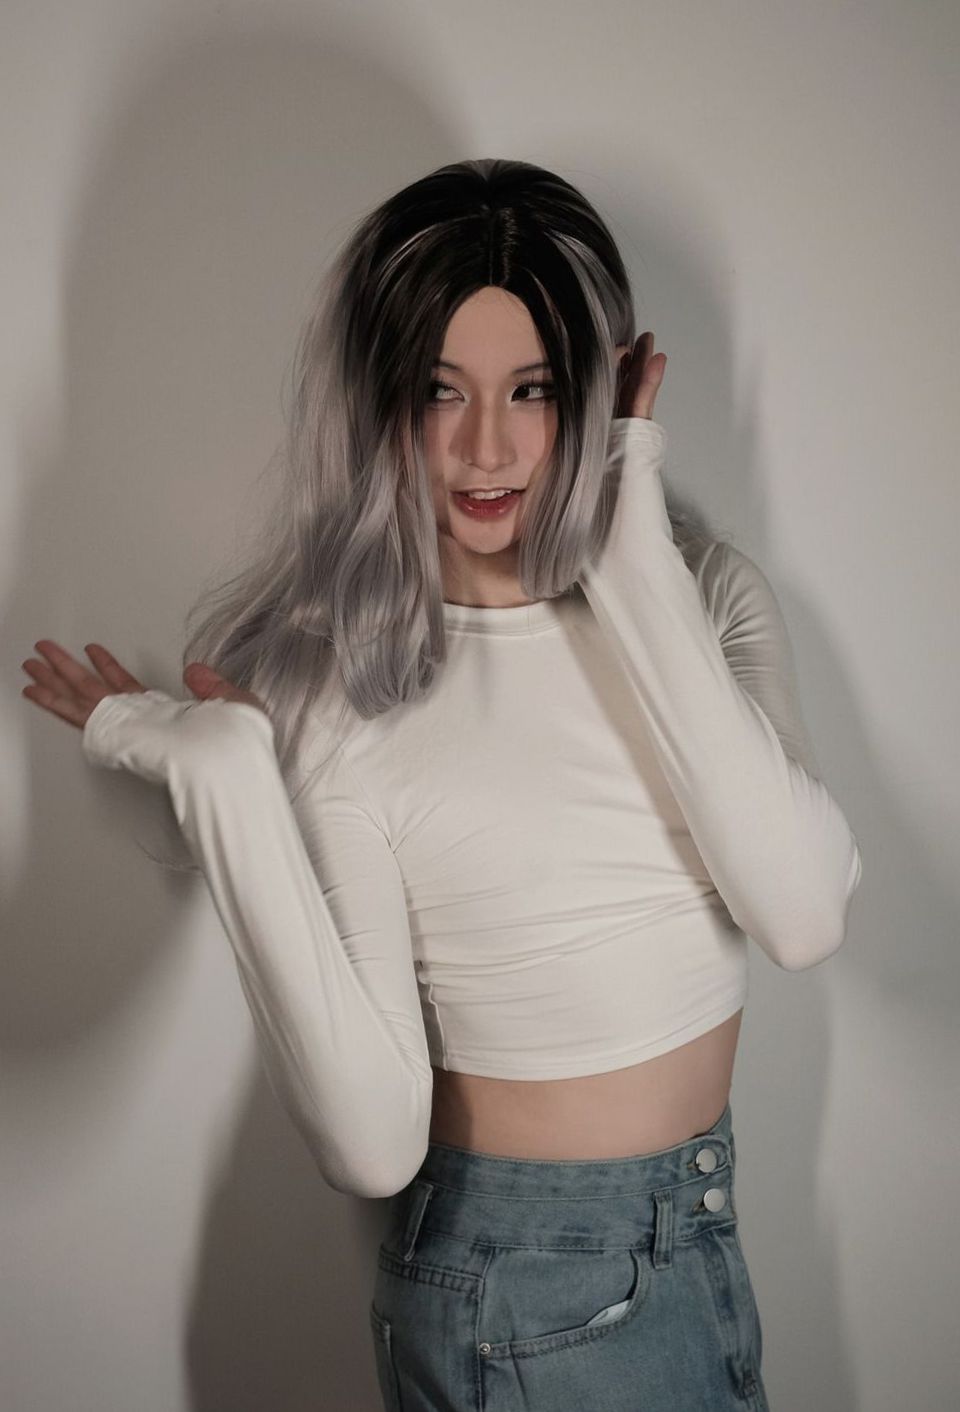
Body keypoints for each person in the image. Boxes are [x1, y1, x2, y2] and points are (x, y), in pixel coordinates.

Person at [21, 158, 862, 1410]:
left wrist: (627, 542)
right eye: (438, 390)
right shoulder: (346, 687)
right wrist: (228, 774)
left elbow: (801, 910)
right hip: (521, 1288)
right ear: (381, 401)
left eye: (533, 389)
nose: (486, 447)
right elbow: (371, 1141)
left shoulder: (705, 592)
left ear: (602, 392)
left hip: (700, 1240)